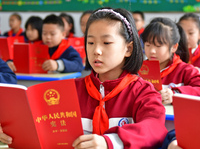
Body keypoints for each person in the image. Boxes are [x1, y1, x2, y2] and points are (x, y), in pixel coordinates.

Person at [0, 8, 167, 148]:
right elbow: (39, 125)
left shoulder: (143, 92)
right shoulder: (69, 90)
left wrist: (110, 141)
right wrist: (11, 129)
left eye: (106, 43)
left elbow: (154, 128)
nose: (97, 51)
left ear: (128, 49)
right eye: (91, 42)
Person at [142, 17, 200, 105]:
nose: (152, 51)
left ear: (173, 47)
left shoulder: (186, 70)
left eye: (158, 46)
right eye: (148, 45)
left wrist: (176, 94)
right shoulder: (138, 70)